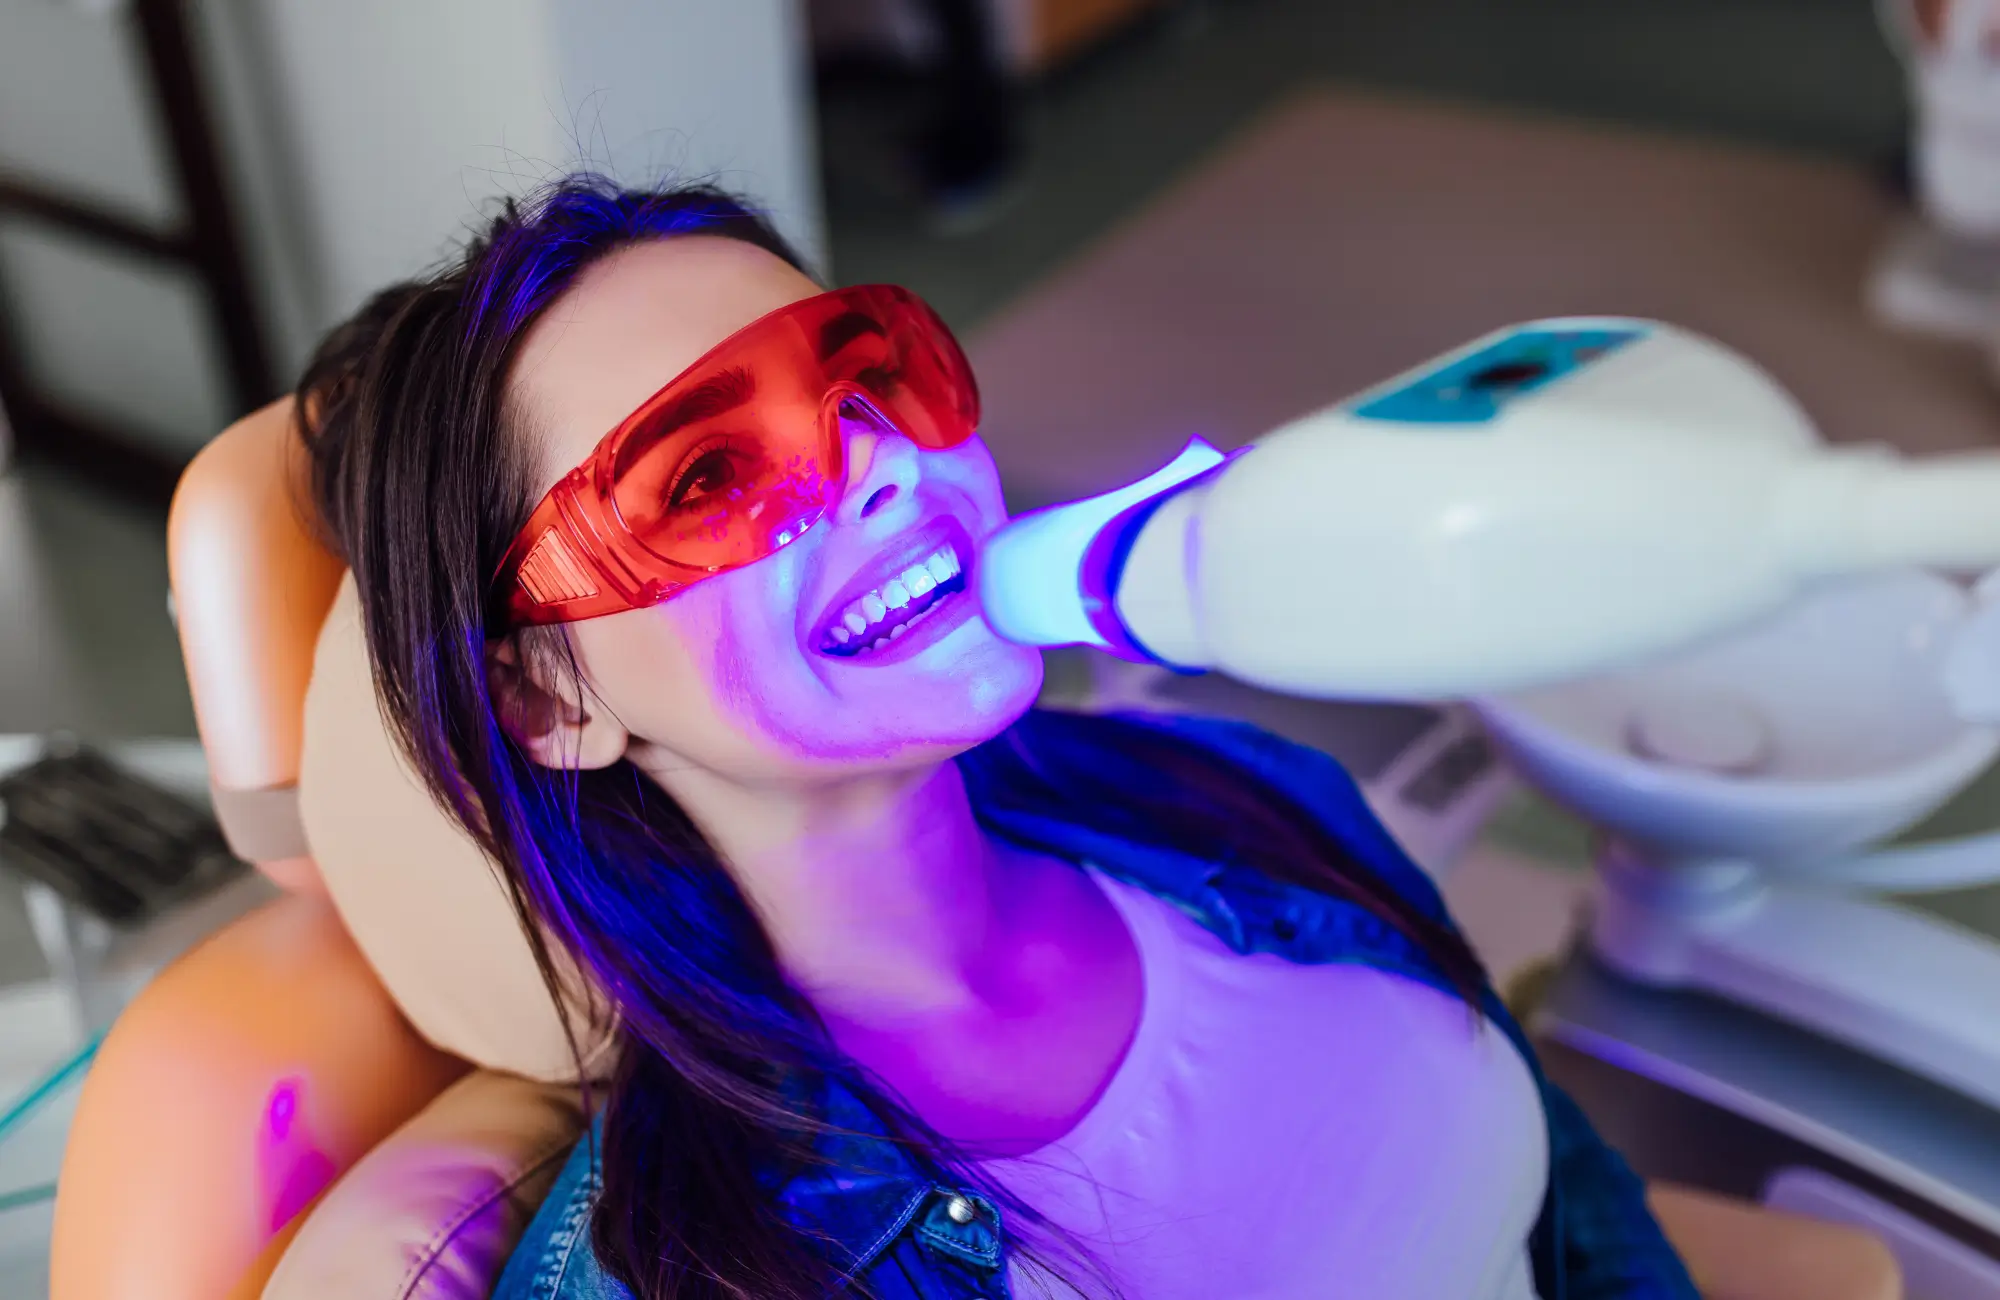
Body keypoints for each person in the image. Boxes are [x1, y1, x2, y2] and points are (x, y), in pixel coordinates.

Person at [299, 175, 1697, 1300]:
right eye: (710, 475)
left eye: (867, 378)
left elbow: (1566, 1205)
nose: (880, 463)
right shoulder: (705, 1275)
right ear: (552, 699)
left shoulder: (1238, 789)